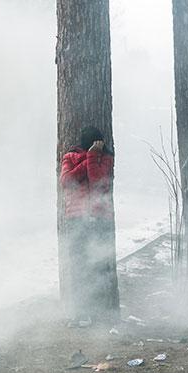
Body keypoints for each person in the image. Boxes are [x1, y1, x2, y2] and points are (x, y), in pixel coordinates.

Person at [59, 126, 117, 324]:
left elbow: (98, 183)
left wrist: (94, 157)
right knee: (79, 267)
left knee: (98, 267)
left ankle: (97, 313)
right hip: (77, 218)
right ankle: (80, 312)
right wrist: (89, 158)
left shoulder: (106, 159)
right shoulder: (70, 157)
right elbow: (67, 181)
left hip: (98, 218)